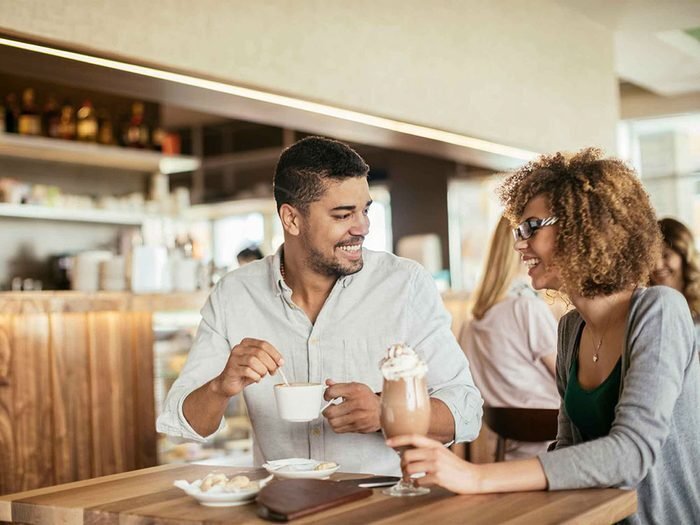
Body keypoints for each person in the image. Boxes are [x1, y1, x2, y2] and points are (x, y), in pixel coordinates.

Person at [389, 148, 700, 523]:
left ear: (584, 227)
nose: (520, 244)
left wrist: (476, 475)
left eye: (531, 228)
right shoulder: (571, 329)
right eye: (519, 230)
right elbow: (566, 448)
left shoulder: (660, 309)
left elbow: (630, 453)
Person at [157, 136, 483, 475]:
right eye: (344, 215)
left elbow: (467, 409)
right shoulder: (234, 294)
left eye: (365, 210)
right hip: (280, 506)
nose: (363, 227)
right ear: (292, 219)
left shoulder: (405, 285)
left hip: (380, 507)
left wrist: (387, 413)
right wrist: (219, 386)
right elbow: (185, 426)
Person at [459, 215, 558, 459]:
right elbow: (569, 377)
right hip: (555, 449)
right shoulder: (526, 308)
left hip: (505, 451)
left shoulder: (471, 323)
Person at [650, 217, 700, 326]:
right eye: (652, 258)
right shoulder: (647, 307)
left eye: (666, 255)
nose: (658, 266)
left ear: (685, 256)